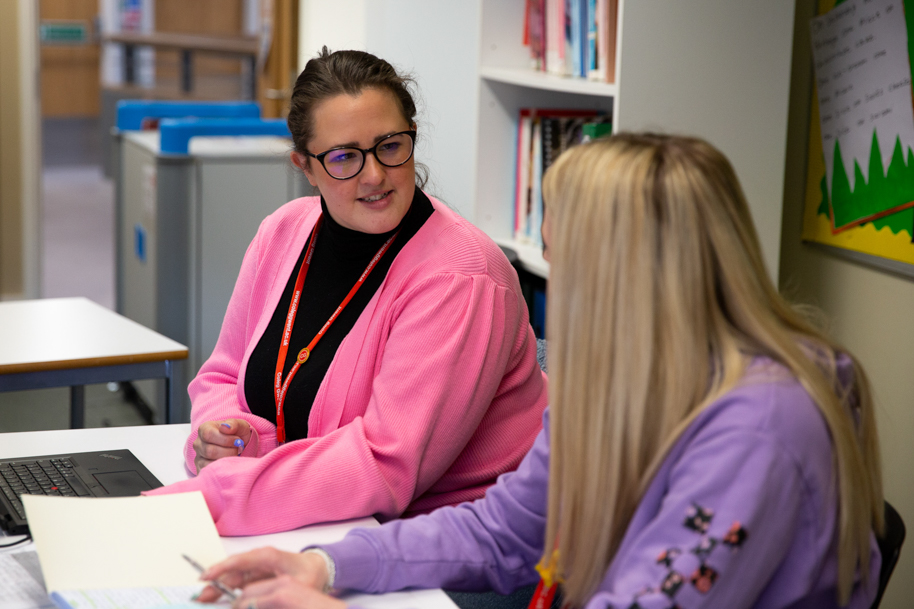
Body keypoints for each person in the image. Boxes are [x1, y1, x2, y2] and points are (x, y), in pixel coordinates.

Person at [198, 133, 885, 608]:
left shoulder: (761, 426)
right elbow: (504, 530)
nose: (562, 289)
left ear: (632, 276)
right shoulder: (626, 382)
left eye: (567, 265)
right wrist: (323, 563)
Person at [143, 48, 548, 535]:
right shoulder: (283, 231)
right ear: (305, 167)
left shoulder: (461, 276)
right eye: (344, 157)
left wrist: (213, 498)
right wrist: (227, 437)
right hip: (319, 517)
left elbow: (386, 465)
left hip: (453, 542)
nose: (374, 175)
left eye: (391, 146)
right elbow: (223, 375)